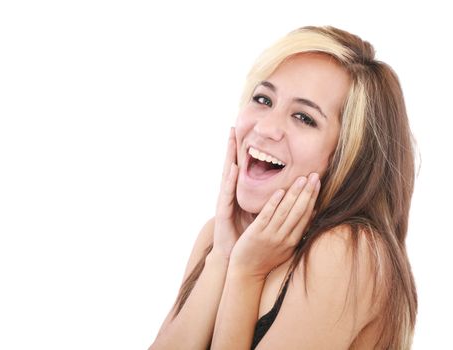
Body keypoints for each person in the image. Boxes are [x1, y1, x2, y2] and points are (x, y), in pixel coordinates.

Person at [150, 25, 417, 350]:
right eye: (263, 99)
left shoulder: (350, 250)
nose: (265, 127)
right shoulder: (217, 237)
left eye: (304, 118)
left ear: (347, 157)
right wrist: (222, 256)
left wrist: (246, 273)